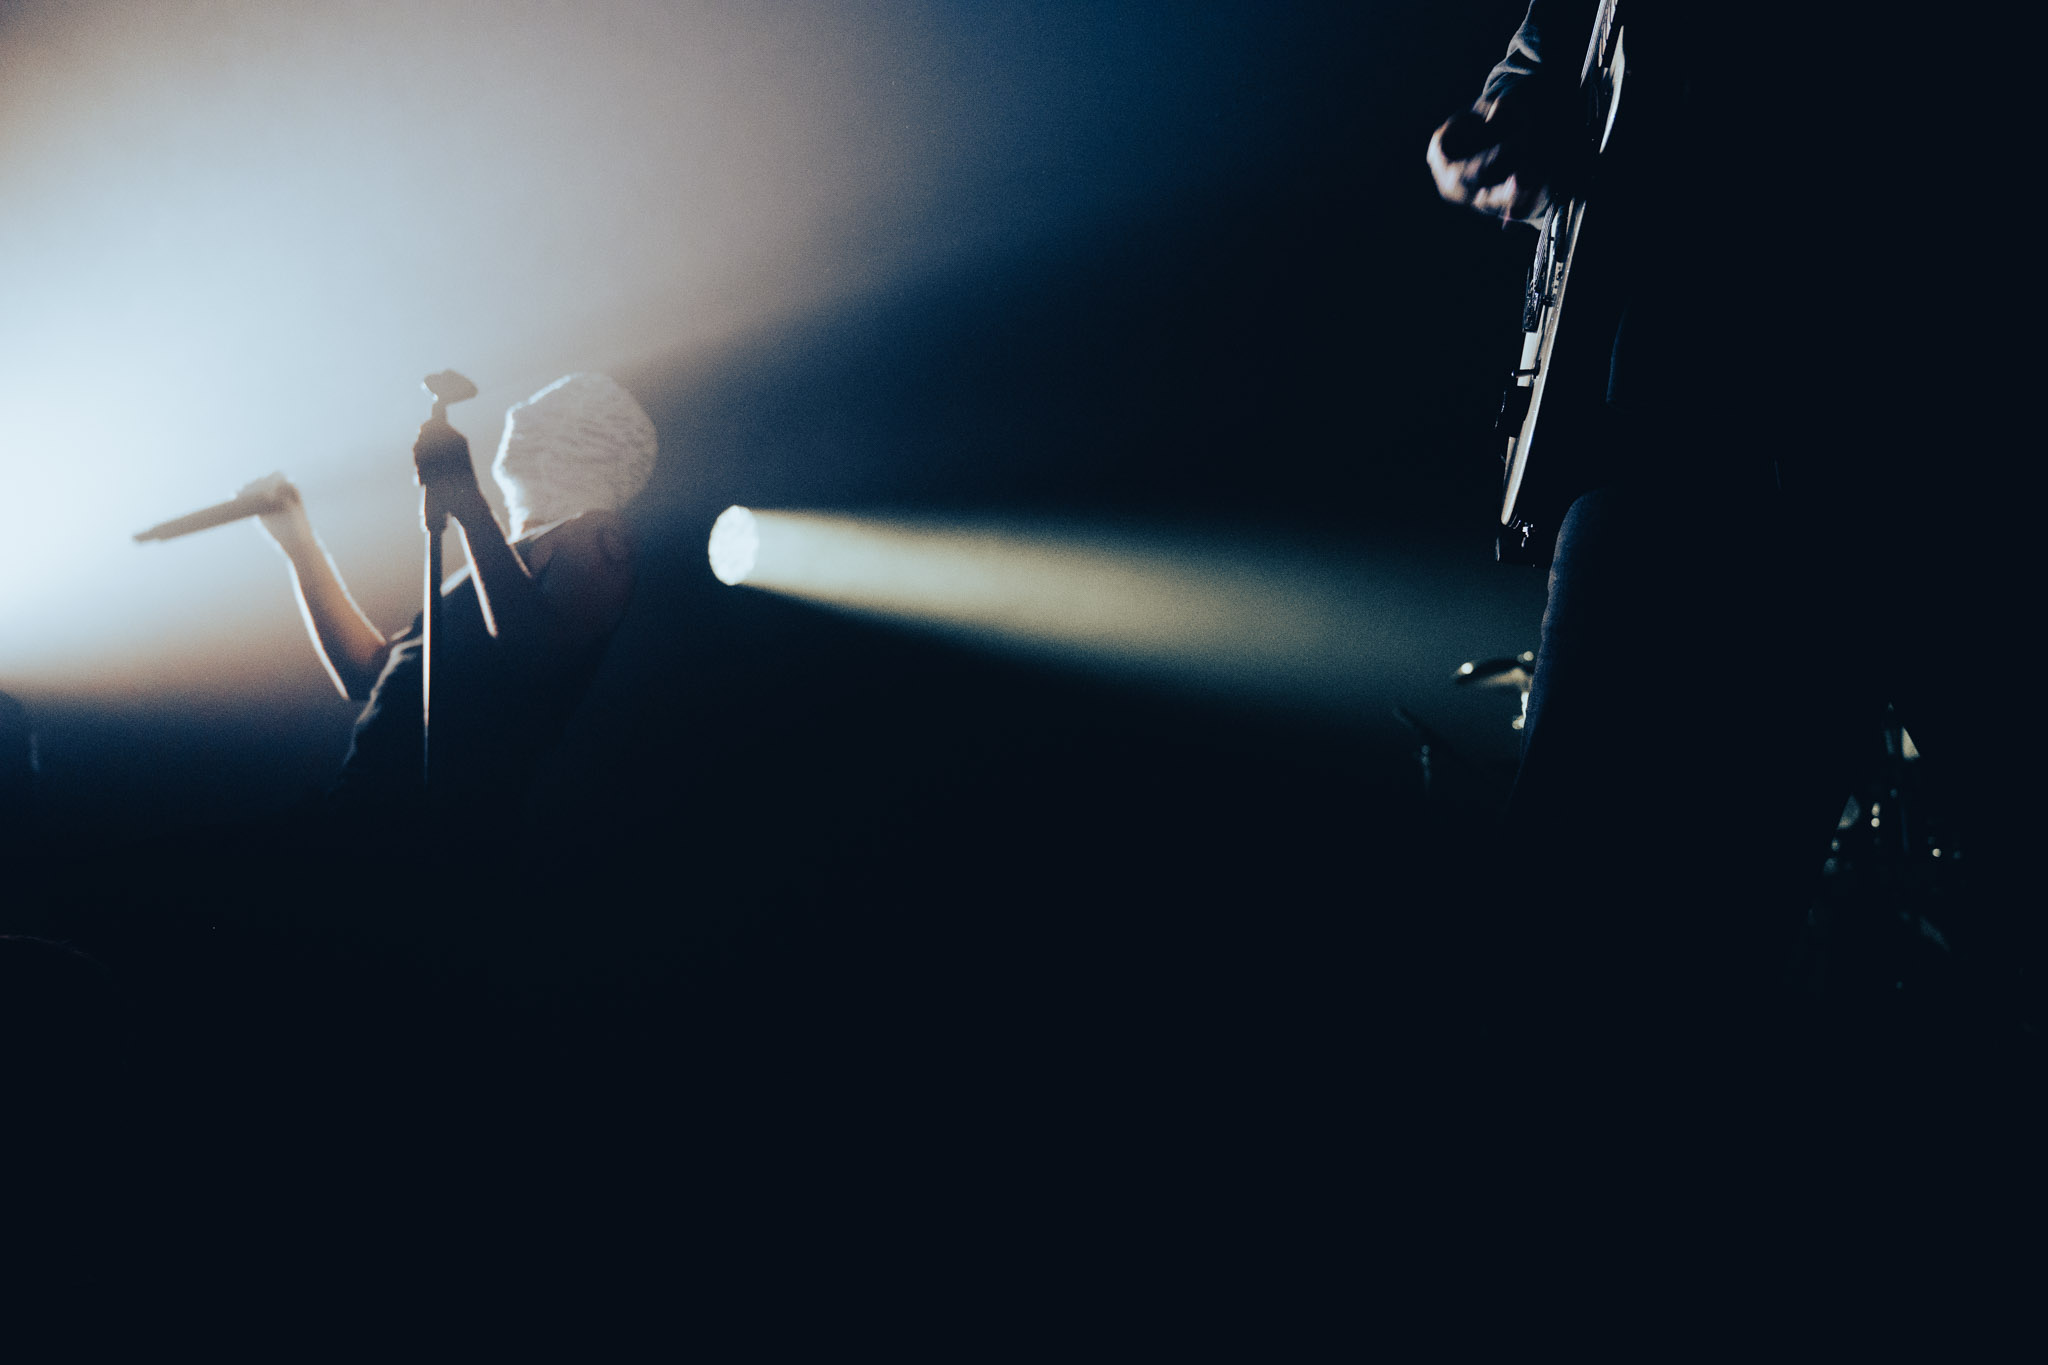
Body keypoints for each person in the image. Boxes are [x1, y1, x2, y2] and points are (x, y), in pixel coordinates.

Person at [1425, 3, 2036, 1244]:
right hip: (1671, 425)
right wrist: (1498, 130)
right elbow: (1550, 53)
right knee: (1569, 972)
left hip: (1922, 394)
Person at [250, 372, 656, 823]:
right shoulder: (493, 563)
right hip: (358, 807)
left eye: (554, 415)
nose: (520, 417)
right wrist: (298, 542)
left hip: (429, 830)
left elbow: (535, 649)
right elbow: (368, 673)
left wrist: (468, 502)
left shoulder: (598, 533)